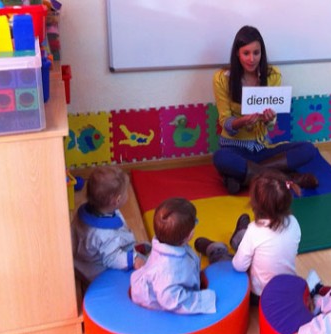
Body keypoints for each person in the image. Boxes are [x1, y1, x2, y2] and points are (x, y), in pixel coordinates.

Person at [212, 25, 319, 195]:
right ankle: (286, 179)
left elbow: (271, 125)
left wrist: (270, 120)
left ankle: (244, 178)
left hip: (263, 149)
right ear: (237, 54)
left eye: (256, 53)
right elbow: (225, 122)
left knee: (308, 149)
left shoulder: (272, 75)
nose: (252, 59)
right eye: (246, 53)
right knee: (220, 158)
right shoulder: (222, 79)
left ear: (262, 53)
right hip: (234, 149)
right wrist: (242, 121)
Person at [195, 169, 301, 305]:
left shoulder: (255, 230)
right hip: (284, 287)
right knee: (255, 245)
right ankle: (239, 236)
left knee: (225, 260)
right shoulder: (293, 222)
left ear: (254, 205)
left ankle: (215, 248)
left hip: (258, 294)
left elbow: (238, 266)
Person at [130, 198, 216, 314]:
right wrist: (205, 300)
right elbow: (171, 300)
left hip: (160, 283)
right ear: (189, 235)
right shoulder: (169, 271)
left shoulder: (170, 244)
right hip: (154, 300)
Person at [72, 166, 148, 285]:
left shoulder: (89, 209)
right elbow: (112, 258)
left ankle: (129, 249)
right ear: (117, 200)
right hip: (96, 266)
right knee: (139, 269)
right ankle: (131, 254)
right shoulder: (104, 234)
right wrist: (133, 260)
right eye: (125, 193)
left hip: (86, 253)